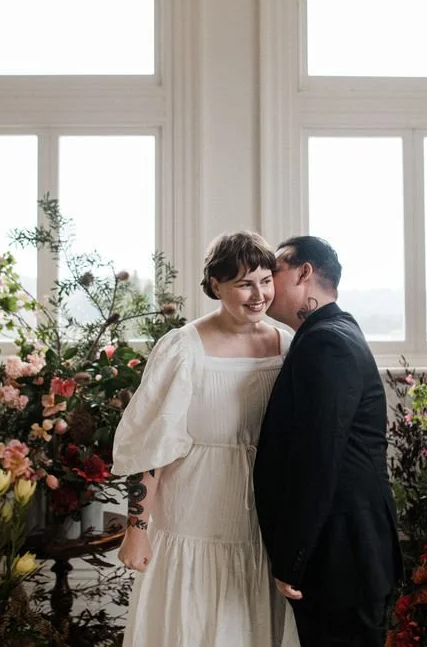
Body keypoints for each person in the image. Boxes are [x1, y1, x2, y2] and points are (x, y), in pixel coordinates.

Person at [111, 231, 300, 647]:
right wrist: (137, 528)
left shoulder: (287, 345)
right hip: (193, 517)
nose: (258, 295)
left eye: (266, 281)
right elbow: (152, 445)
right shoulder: (183, 348)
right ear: (216, 285)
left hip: (260, 523)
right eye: (244, 284)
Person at [253, 236, 403, 647]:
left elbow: (317, 459)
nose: (265, 287)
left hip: (342, 555)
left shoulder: (327, 342)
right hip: (345, 551)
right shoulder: (330, 332)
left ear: (304, 273)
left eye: (274, 273)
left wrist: (292, 559)